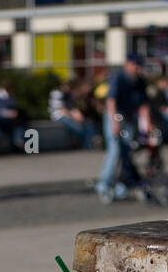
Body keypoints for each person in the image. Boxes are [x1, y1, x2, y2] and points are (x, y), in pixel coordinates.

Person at [96, 54, 150, 201]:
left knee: (127, 152)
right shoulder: (118, 77)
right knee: (115, 150)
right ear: (127, 64)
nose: (137, 68)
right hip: (115, 116)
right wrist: (114, 122)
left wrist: (148, 125)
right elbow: (111, 100)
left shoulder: (140, 81)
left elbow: (143, 105)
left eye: (139, 65)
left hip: (129, 118)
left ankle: (121, 184)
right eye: (134, 65)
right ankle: (104, 184)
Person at [49, 80, 95, 149]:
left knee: (88, 125)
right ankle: (85, 146)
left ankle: (87, 146)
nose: (68, 88)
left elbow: (72, 107)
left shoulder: (67, 94)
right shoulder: (57, 93)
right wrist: (73, 116)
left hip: (67, 115)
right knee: (80, 129)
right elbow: (61, 109)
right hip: (59, 116)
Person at [0, 81, 24, 151]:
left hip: (10, 118)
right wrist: (9, 114)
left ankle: (18, 140)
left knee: (20, 122)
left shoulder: (11, 95)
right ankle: (17, 140)